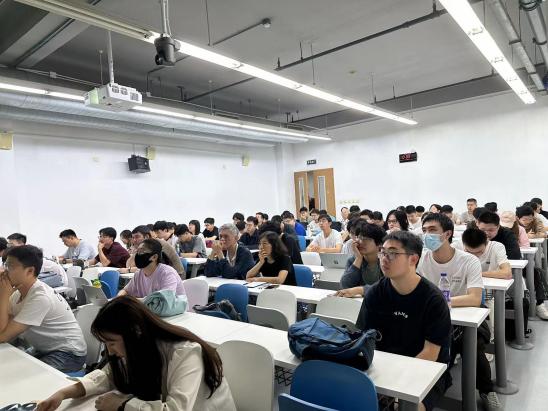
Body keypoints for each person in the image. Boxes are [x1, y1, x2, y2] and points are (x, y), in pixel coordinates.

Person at [36, 296, 236, 411]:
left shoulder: (186, 352)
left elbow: (176, 409)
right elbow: (107, 376)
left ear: (136, 331)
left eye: (112, 343)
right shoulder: (138, 345)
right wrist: (62, 394)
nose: (110, 351)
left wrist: (123, 405)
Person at [355, 231, 452, 411]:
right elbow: (364, 337)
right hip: (383, 367)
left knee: (405, 408)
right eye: (382, 252)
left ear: (413, 259)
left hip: (425, 370)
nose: (384, 258)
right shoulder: (375, 293)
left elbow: (430, 354)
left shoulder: (433, 299)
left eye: (392, 253)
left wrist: (395, 386)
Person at [417, 213, 501, 410]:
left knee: (470, 343)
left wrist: (440, 303)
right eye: (424, 230)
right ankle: (423, 391)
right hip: (435, 317)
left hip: (470, 317)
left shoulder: (468, 260)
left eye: (432, 230)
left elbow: (474, 298)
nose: (427, 235)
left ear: (447, 234)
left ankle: (486, 390)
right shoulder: (421, 260)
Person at [0, 245, 86, 372]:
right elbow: (4, 326)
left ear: (30, 271)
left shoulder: (40, 297)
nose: (4, 271)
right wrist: (4, 295)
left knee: (21, 374)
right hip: (43, 349)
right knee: (10, 367)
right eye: (5, 265)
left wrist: (3, 296)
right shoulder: (17, 293)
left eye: (10, 266)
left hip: (68, 354)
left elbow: (3, 336)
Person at [119, 239, 185, 298]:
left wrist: (134, 301)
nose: (138, 255)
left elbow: (165, 300)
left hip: (171, 308)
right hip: (147, 307)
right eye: (137, 251)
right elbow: (125, 290)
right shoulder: (138, 274)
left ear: (154, 257)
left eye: (141, 252)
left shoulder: (167, 273)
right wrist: (119, 298)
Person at [336, 221, 386, 298]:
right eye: (359, 237)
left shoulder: (386, 261)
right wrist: (358, 259)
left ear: (379, 244)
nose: (360, 242)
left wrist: (360, 290)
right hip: (358, 303)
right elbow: (345, 286)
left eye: (365, 239)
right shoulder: (353, 260)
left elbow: (387, 288)